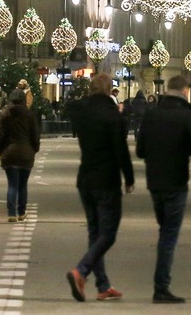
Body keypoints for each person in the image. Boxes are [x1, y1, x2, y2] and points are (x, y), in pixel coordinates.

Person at [136, 75, 191, 304]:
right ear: (185, 91)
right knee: (169, 235)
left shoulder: (151, 115)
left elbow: (140, 151)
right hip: (177, 182)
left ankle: (161, 284)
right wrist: (186, 149)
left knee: (164, 231)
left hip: (155, 182)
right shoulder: (187, 116)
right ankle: (161, 287)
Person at [66, 73, 134, 303]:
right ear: (108, 91)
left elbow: (72, 109)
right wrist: (129, 177)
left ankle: (103, 285)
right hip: (106, 180)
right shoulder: (111, 115)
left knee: (95, 232)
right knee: (108, 233)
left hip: (85, 178)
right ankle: (81, 271)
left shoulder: (83, 112)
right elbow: (120, 149)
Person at [0, 89, 40, 222]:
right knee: (22, 185)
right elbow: (35, 136)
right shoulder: (29, 115)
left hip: (9, 152)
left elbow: (0, 135)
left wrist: (0, 150)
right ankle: (21, 212)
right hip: (25, 152)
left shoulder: (5, 114)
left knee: (12, 185)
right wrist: (34, 149)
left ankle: (11, 213)